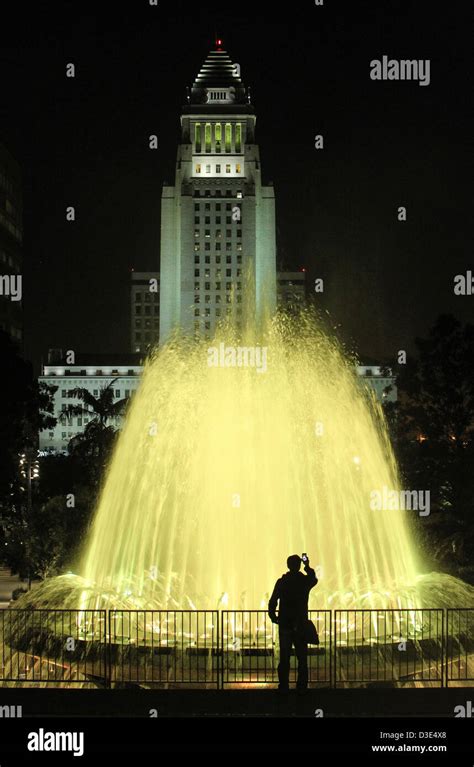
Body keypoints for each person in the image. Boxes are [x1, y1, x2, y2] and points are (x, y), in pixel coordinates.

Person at [268, 554, 318, 693]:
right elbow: (314, 579)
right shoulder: (304, 581)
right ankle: (301, 686)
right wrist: (307, 566)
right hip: (300, 624)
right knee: (302, 657)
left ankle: (283, 685)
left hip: (285, 624)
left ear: (288, 566)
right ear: (298, 565)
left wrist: (273, 616)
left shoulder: (282, 582)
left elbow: (273, 601)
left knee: (284, 657)